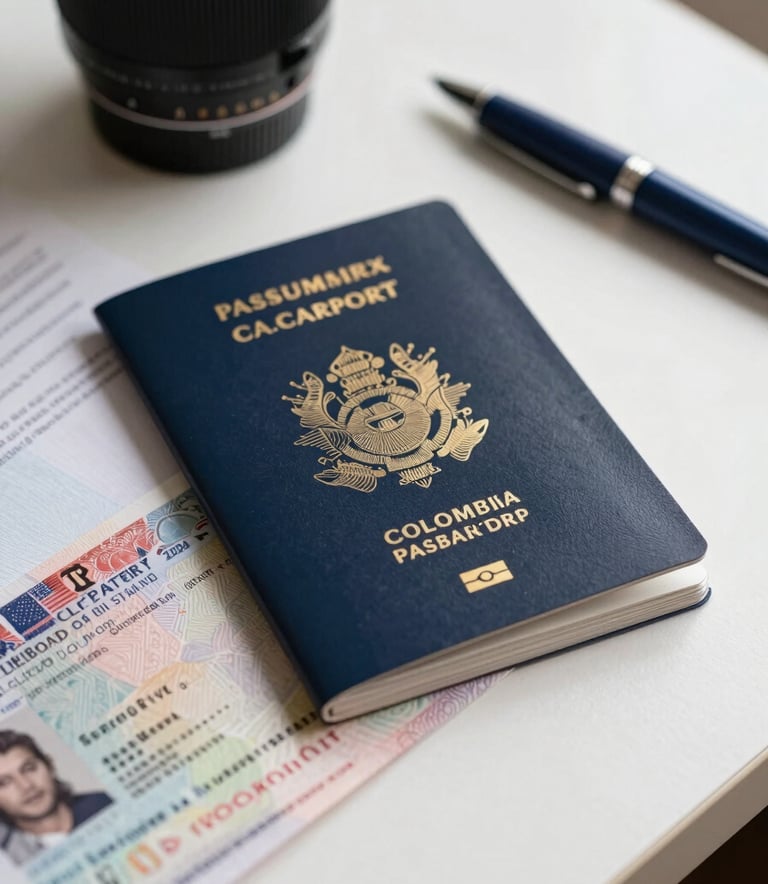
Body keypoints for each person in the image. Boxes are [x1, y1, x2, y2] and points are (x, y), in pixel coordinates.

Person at [0, 729, 111, 865]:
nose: (26, 785)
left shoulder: (106, 803)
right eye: (4, 783)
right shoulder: (8, 859)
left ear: (49, 765)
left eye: (29, 768)